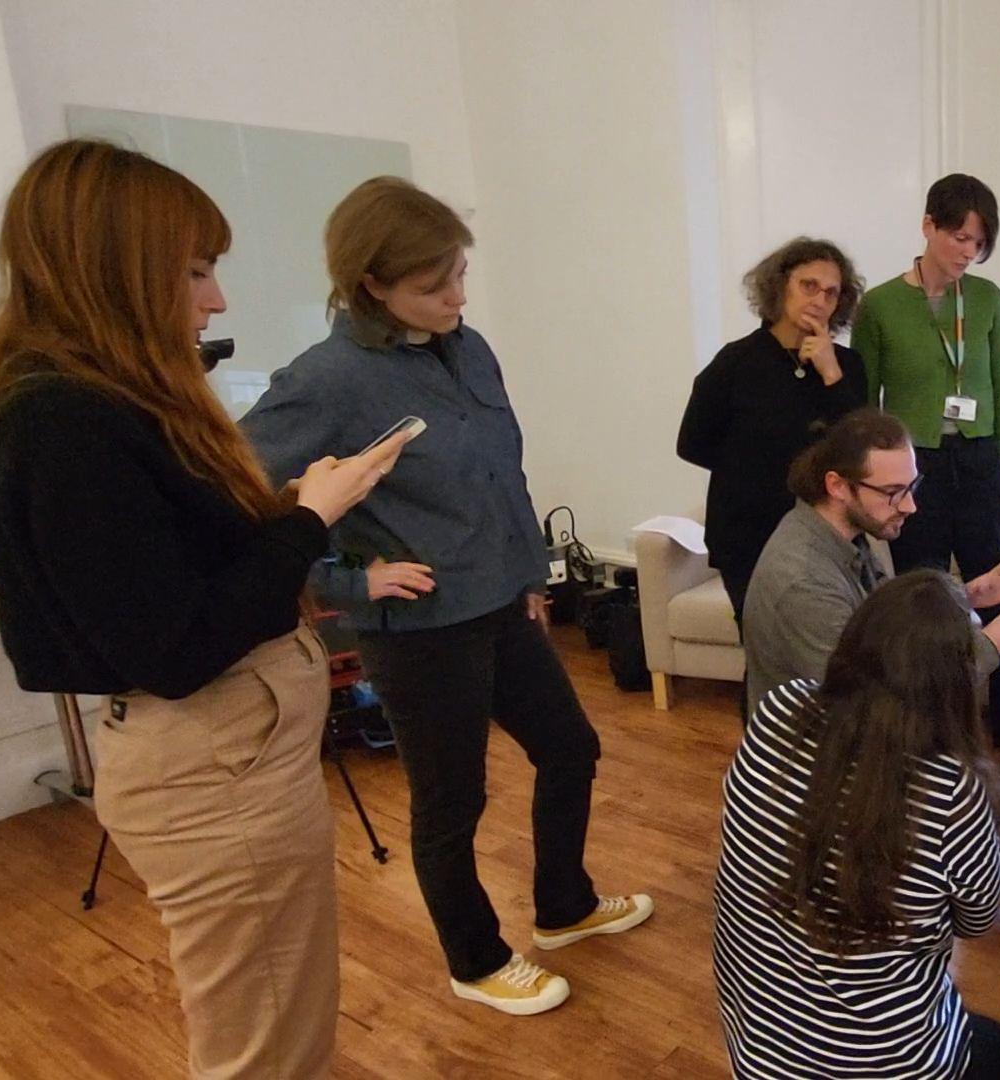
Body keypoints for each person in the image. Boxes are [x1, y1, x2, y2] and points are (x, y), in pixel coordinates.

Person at [0, 139, 402, 1077]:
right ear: (113, 268)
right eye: (196, 271)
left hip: (235, 753)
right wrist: (308, 520)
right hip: (211, 762)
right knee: (262, 1042)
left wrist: (292, 509)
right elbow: (178, 644)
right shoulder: (63, 421)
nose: (215, 301)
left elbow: (178, 575)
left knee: (285, 1011)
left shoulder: (108, 405)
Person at [240, 176, 650, 1017]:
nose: (458, 296)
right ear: (372, 287)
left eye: (460, 274)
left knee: (570, 749)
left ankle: (564, 907)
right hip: (419, 630)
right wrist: (348, 580)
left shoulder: (469, 347)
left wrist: (530, 575)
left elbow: (503, 471)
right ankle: (476, 959)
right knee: (451, 803)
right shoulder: (325, 382)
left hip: (500, 606)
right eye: (434, 286)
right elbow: (244, 503)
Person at [714, 570, 1000, 1079]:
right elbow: (975, 922)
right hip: (884, 1063)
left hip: (758, 1048)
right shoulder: (952, 787)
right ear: (953, 682)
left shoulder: (779, 708)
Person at [741, 407, 1000, 716]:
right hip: (815, 760)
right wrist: (992, 644)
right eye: (893, 492)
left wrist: (969, 594)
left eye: (912, 487)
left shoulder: (844, 536)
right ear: (838, 486)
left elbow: (887, 624)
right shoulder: (803, 582)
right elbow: (878, 699)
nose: (910, 506)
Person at [853, 173, 1000, 747]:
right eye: (958, 237)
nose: (967, 253)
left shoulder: (985, 298)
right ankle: (928, 729)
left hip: (980, 461)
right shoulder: (879, 305)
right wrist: (872, 481)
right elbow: (866, 401)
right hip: (914, 468)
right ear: (928, 226)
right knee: (923, 600)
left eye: (977, 243)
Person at [678, 237, 868, 627]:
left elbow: (863, 449)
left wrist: (831, 373)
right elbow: (692, 443)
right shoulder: (736, 362)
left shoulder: (847, 366)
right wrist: (752, 468)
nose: (819, 300)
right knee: (766, 646)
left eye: (831, 293)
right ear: (781, 287)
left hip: (825, 532)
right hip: (748, 532)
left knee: (835, 644)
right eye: (808, 285)